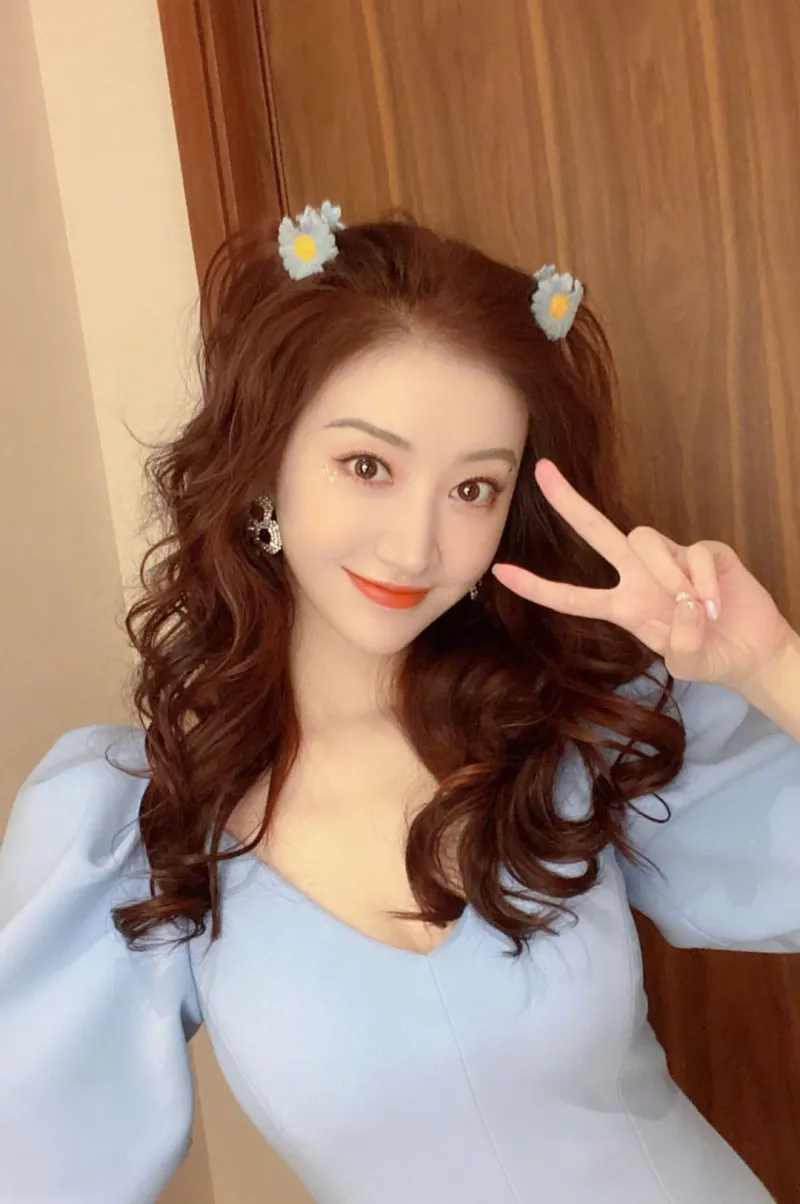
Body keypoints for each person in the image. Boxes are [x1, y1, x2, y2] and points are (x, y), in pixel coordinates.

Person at [1, 203, 798, 1204]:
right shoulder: (137, 829)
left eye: (473, 489)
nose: (417, 546)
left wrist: (772, 664)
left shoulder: (579, 727)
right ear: (266, 465)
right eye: (368, 466)